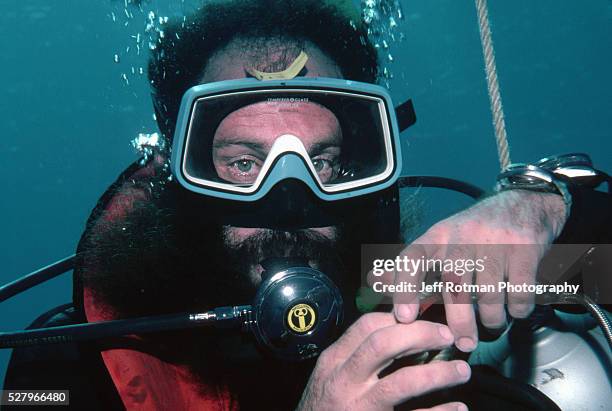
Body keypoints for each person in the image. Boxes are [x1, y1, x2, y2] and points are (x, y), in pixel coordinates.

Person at [3, 1, 611, 410]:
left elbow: (600, 266)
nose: (289, 198)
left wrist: (539, 207)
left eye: (322, 163)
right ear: (176, 171)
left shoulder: (409, 282)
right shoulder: (71, 358)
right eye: (244, 162)